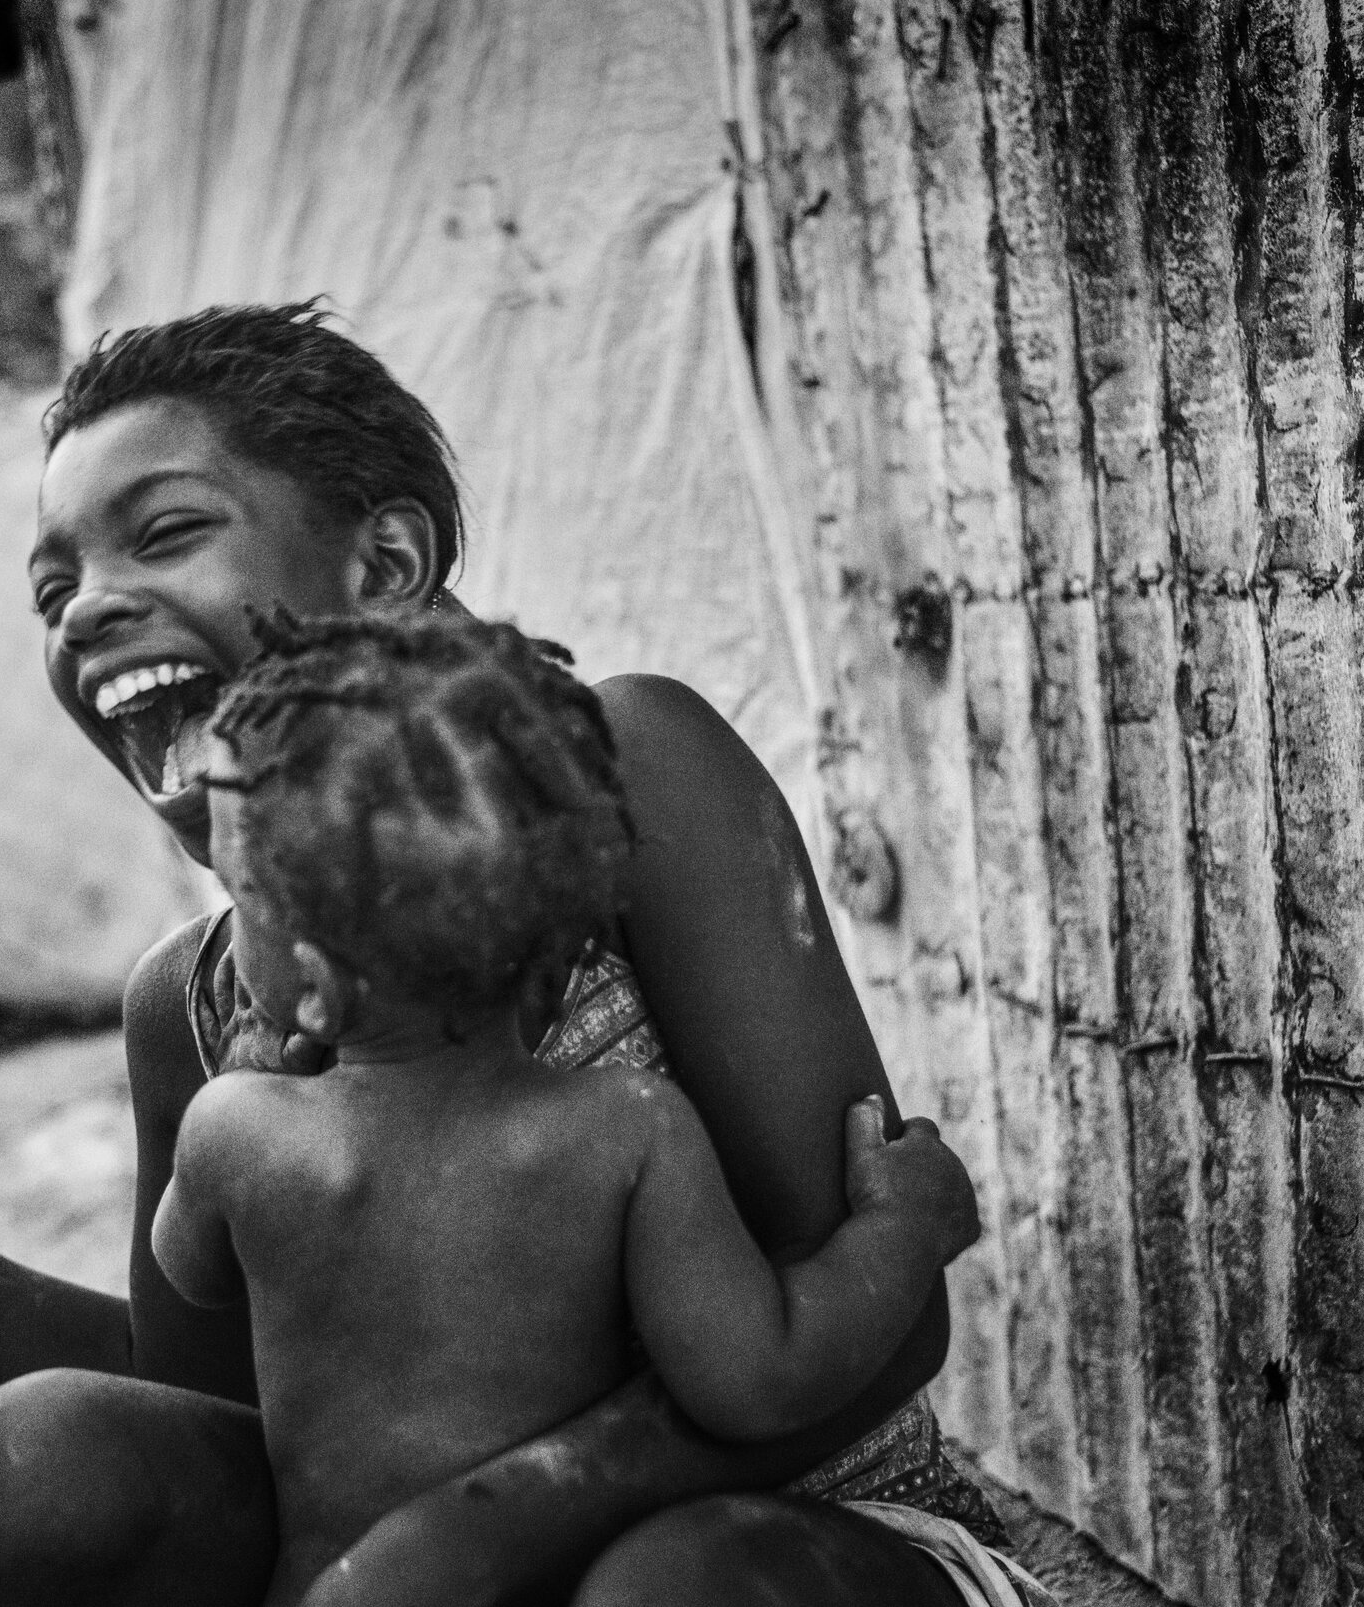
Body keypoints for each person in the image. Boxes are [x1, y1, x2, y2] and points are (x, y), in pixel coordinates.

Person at [0, 302, 1022, 1606]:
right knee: (26, 1475)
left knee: (672, 1590)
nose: (87, 605)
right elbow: (209, 1400)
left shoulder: (631, 779)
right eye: (52, 588)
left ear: (388, 566)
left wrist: (471, 1524)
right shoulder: (201, 1000)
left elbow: (865, 1333)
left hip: (788, 1545)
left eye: (163, 534)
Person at [152, 610, 994, 1607]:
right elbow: (759, 1374)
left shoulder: (234, 1131)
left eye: (242, 893)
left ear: (314, 985)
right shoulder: (626, 1130)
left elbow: (189, 1273)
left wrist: (257, 1068)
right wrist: (905, 1226)